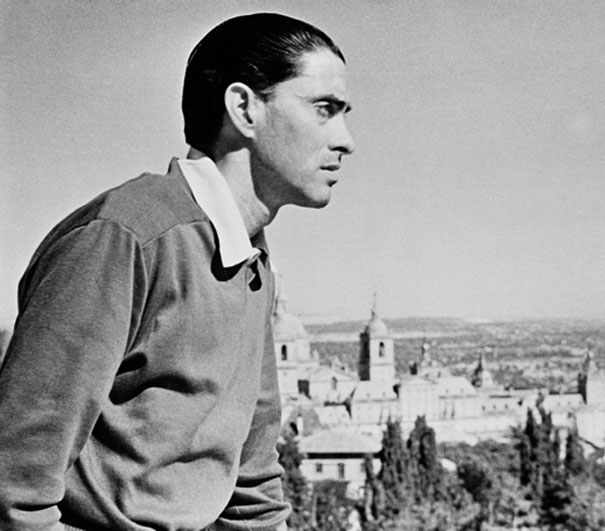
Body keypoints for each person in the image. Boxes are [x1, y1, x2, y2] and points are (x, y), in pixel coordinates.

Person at [0, 12, 354, 531]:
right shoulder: (127, 237)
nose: (346, 140)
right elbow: (14, 488)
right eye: (324, 109)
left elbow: (253, 489)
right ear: (244, 108)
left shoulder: (249, 258)